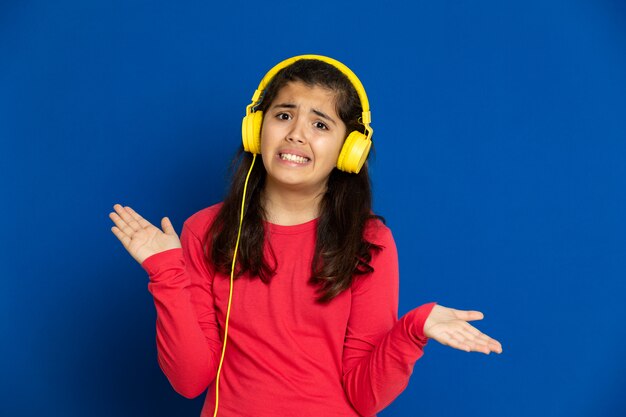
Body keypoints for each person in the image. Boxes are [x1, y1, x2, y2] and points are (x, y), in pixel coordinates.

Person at [109, 55, 502, 417]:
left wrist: (413, 329)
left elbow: (366, 396)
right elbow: (189, 380)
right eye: (283, 115)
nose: (297, 134)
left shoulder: (370, 241)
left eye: (320, 124)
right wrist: (166, 274)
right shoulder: (205, 230)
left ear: (350, 150)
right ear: (255, 129)